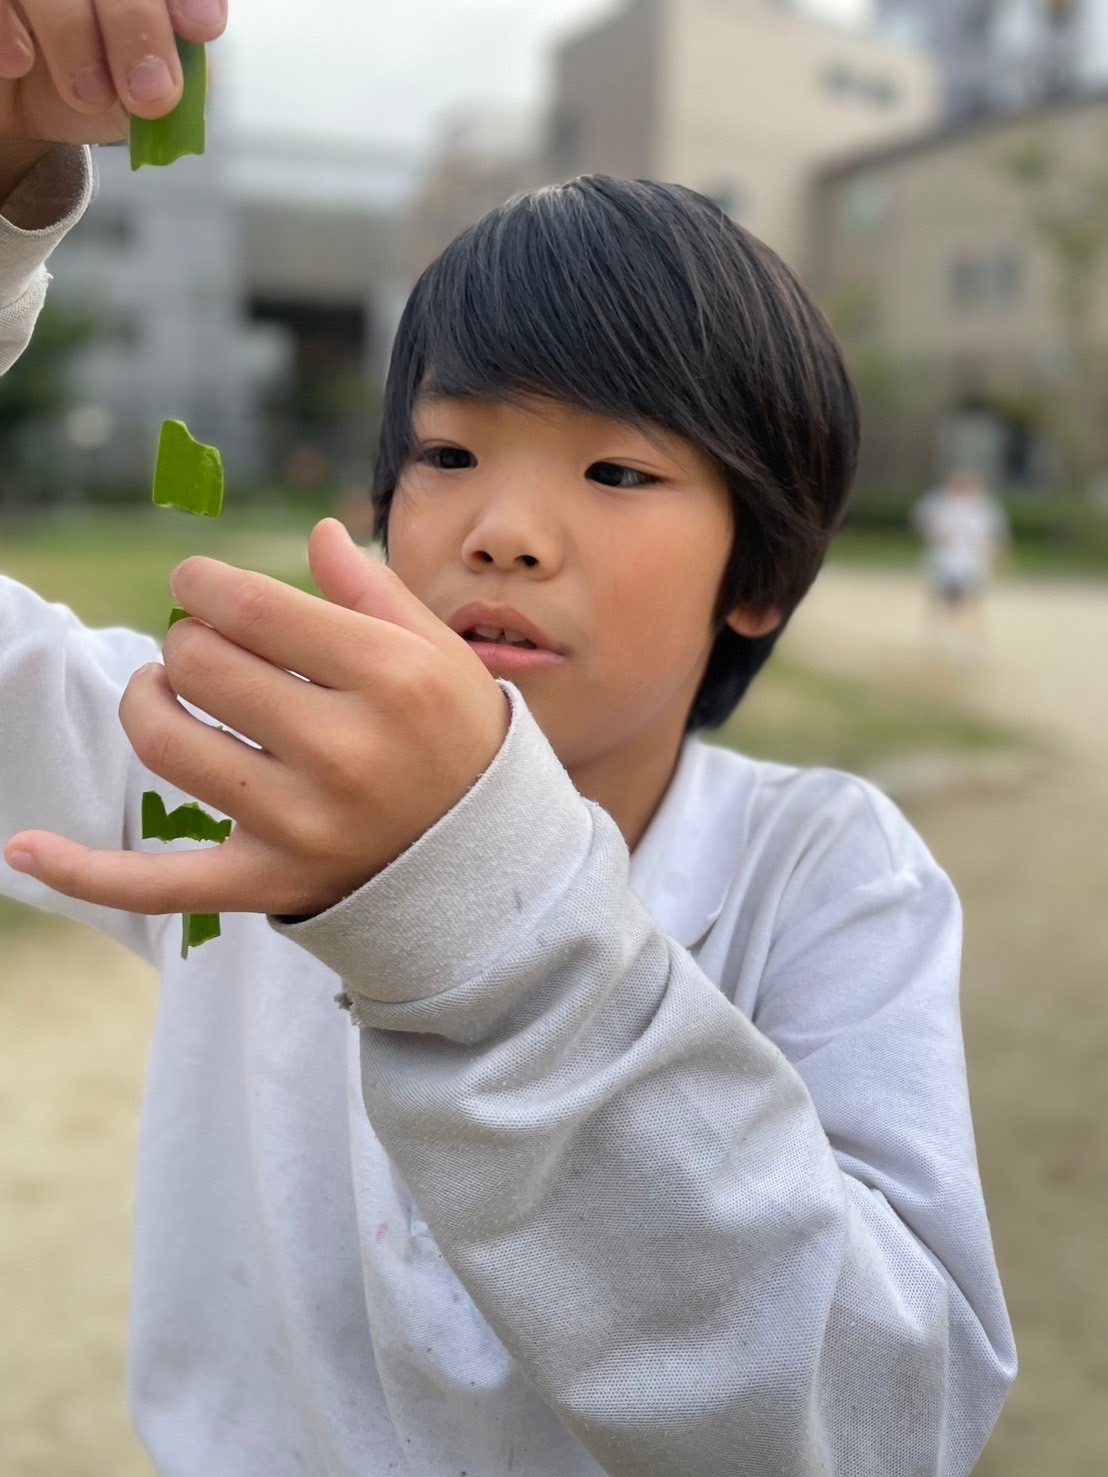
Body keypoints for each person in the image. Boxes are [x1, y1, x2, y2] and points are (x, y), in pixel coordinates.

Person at [0, 6, 1015, 1474]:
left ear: (763, 575)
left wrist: (468, 902)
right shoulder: (225, 774)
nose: (505, 533)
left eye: (616, 468)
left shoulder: (828, 874)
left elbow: (883, 1415)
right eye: (451, 454)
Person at [910, 468, 1012, 654]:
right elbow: (922, 527)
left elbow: (996, 535)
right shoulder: (939, 503)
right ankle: (934, 638)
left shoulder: (985, 507)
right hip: (943, 561)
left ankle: (972, 642)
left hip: (971, 562)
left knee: (971, 601)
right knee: (938, 599)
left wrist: (1002, 558)